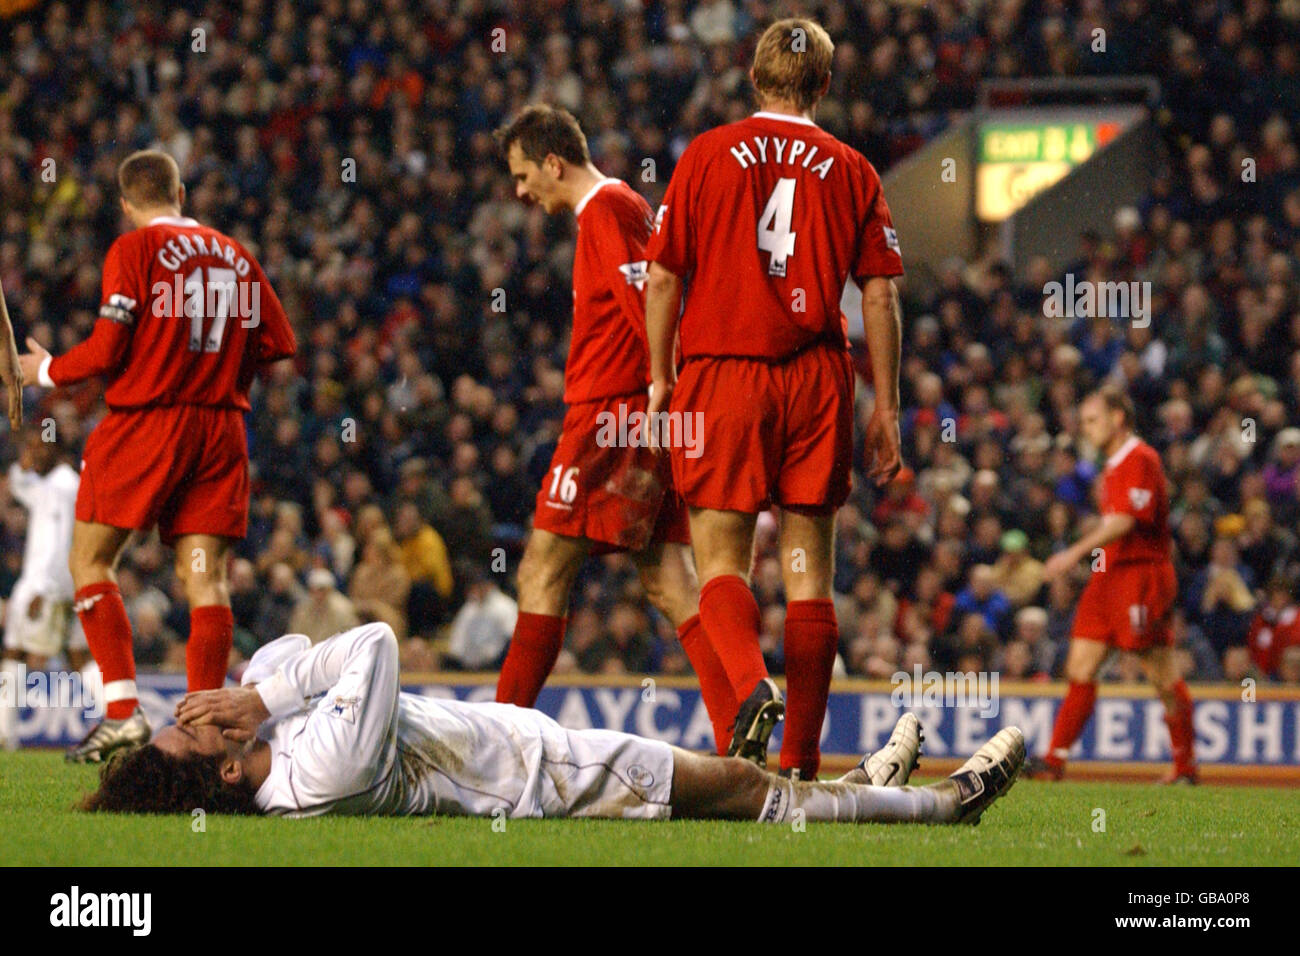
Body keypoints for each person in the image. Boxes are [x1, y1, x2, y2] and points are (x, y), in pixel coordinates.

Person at [644, 17, 905, 777]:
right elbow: (880, 297)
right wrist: (884, 406)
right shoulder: (853, 167)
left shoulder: (707, 154)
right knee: (808, 576)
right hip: (817, 379)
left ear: (753, 77)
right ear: (823, 84)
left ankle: (752, 686)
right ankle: (798, 763)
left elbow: (663, 277)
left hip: (725, 374)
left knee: (720, 561)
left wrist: (662, 379)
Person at [80, 621, 1025, 827]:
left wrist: (257, 694)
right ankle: (945, 808)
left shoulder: (270, 745)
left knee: (729, 779)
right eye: (191, 732)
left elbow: (279, 647)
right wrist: (265, 697)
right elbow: (367, 643)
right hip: (544, 780)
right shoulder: (314, 769)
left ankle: (864, 790)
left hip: (526, 751)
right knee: (738, 789)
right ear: (226, 774)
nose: (195, 711)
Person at [16, 149, 297, 762]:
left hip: (149, 422)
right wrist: (216, 368)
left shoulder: (133, 251)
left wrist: (45, 370)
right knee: (207, 581)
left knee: (90, 561)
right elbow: (280, 343)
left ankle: (123, 713)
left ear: (126, 203)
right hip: (222, 430)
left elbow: (109, 348)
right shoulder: (237, 255)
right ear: (182, 193)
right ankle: (202, 730)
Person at [491, 105, 739, 756]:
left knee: (541, 571)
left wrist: (663, 393)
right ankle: (738, 727)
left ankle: (494, 741)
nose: (521, 192)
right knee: (667, 579)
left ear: (553, 162)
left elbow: (648, 298)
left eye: (522, 176)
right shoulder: (624, 206)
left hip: (613, 417)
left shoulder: (605, 209)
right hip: (640, 414)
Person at [1030, 385, 1196, 783]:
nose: (1085, 429)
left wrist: (1073, 553)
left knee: (1161, 673)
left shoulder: (1141, 458)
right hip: (1109, 578)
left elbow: (1124, 522)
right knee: (1080, 666)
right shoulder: (1113, 464)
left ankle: (1185, 767)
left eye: (1092, 420)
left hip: (1142, 576)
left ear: (1117, 417)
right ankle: (1054, 762)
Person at [0, 431, 89, 749]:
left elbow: (59, 542)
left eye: (40, 448)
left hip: (46, 586)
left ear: (56, 450)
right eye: (30, 447)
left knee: (19, 654)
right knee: (76, 656)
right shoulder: (52, 485)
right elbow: (23, 489)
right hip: (51, 585)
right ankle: (121, 716)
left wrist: (46, 590)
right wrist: (21, 467)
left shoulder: (63, 487)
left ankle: (4, 733)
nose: (34, 453)